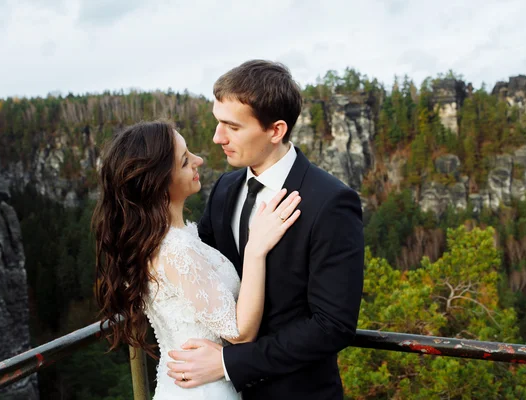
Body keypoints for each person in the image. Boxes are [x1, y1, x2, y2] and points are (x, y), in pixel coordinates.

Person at [166, 60, 365, 399]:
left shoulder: (331, 202)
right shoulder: (225, 189)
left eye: (232, 127)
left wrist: (231, 363)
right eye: (218, 123)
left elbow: (332, 326)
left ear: (276, 130)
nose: (217, 138)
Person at [92, 120, 302, 400]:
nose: (199, 161)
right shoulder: (174, 249)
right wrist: (256, 250)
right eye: (184, 161)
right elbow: (239, 332)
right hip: (204, 390)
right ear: (158, 183)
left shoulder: (170, 237)